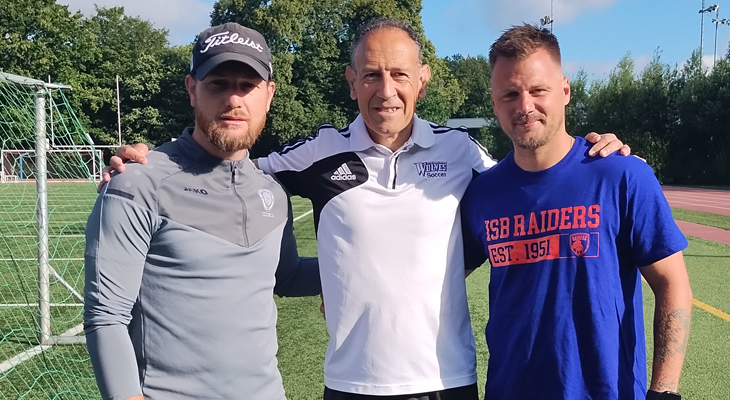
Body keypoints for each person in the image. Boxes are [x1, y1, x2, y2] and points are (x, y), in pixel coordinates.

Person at [102, 18, 630, 400]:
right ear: (352, 82)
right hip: (350, 385)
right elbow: (230, 160)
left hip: (448, 382)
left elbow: (530, 176)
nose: (386, 90)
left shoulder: (463, 154)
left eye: (399, 75)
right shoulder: (316, 153)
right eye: (371, 75)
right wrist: (154, 157)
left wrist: (593, 153)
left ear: (421, 81)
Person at [83, 22, 321, 400]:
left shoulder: (272, 191)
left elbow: (287, 276)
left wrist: (365, 265)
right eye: (218, 83)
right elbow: (106, 318)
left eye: (247, 86)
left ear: (269, 94)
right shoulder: (136, 182)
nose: (233, 99)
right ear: (192, 89)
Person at [461, 24, 692, 400]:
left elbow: (672, 283)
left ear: (565, 91)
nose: (524, 106)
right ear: (494, 102)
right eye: (510, 94)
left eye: (538, 90)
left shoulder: (622, 174)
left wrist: (665, 391)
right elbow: (438, 276)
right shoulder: (482, 193)